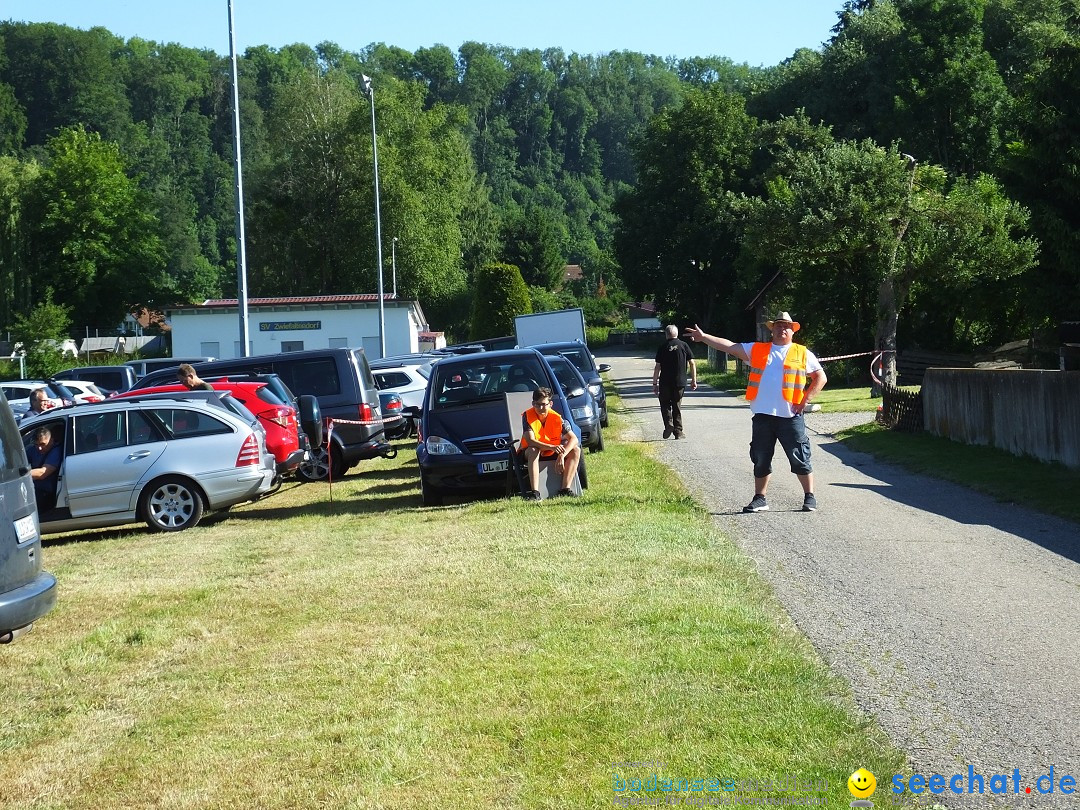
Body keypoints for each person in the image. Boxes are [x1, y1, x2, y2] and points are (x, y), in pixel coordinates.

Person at [685, 312, 827, 512]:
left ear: (793, 330)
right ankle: (760, 498)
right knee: (760, 457)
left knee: (800, 457)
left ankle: (809, 497)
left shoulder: (803, 353)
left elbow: (820, 378)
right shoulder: (758, 350)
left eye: (786, 326)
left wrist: (805, 400)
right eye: (778, 325)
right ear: (772, 330)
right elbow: (729, 346)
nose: (782, 329)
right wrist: (704, 337)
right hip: (763, 415)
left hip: (790, 415)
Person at [519, 387, 581, 500]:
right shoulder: (527, 416)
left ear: (550, 404)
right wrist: (552, 447)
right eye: (537, 404)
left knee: (576, 450)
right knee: (534, 450)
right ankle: (535, 493)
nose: (540, 408)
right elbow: (530, 441)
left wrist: (562, 455)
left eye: (544, 404)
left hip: (551, 450)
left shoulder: (557, 418)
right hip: (531, 451)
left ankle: (565, 489)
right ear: (533, 403)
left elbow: (574, 439)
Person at [652, 324, 697, 439]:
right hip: (680, 381)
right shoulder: (684, 345)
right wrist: (694, 380)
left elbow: (658, 366)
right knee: (677, 405)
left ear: (666, 334)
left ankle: (669, 424)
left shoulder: (662, 347)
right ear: (676, 333)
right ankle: (678, 432)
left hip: (665, 382)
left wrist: (654, 383)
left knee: (665, 404)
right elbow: (692, 363)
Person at [27, 426, 62, 511]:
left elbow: (42, 473)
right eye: (37, 444)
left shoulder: (56, 451)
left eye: (43, 444)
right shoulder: (33, 450)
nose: (39, 448)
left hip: (46, 494)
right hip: (35, 490)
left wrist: (18, 475)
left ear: (51, 440)